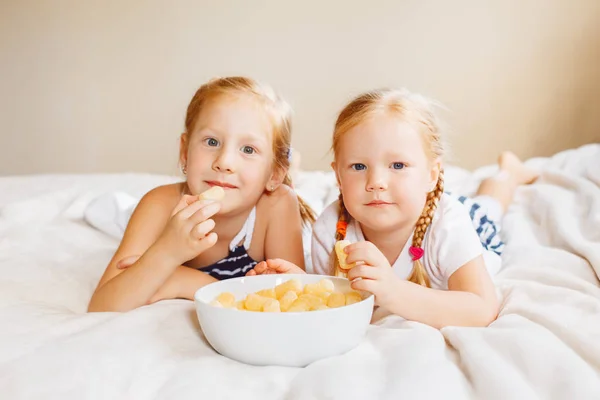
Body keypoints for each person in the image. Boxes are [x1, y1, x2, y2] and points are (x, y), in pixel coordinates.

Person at [247, 88, 539, 329]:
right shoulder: (332, 227)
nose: (376, 182)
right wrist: (300, 282)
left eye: (398, 165)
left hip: (455, 219)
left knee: (487, 208)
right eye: (358, 166)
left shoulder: (449, 225)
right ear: (337, 176)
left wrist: (393, 290)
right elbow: (333, 295)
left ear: (432, 174)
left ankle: (507, 175)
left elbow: (481, 309)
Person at [88, 77, 314, 312]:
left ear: (274, 175)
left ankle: (290, 166)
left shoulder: (276, 203)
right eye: (212, 141)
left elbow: (293, 300)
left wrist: (180, 280)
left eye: (248, 149)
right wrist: (167, 251)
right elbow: (101, 306)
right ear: (185, 152)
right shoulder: (160, 205)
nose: (224, 162)